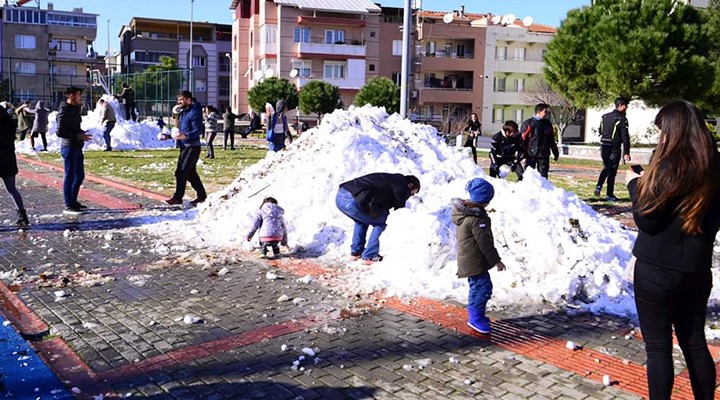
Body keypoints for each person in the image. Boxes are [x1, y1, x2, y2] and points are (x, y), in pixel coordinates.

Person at [626, 100, 720, 400]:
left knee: (658, 349)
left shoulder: (668, 166)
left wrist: (634, 185)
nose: (660, 138)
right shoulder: (714, 167)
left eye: (662, 132)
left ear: (673, 130)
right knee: (694, 343)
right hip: (696, 270)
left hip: (655, 269)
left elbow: (647, 221)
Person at [452, 178, 505, 334]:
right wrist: (497, 261)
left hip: (471, 259)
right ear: (483, 200)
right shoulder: (476, 219)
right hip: (474, 260)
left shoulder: (467, 213)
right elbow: (485, 243)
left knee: (477, 287)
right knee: (483, 289)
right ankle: (475, 318)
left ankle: (476, 315)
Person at [335, 173, 420, 265]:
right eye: (412, 192)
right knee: (380, 223)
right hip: (354, 199)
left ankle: (356, 252)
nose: (410, 195)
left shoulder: (390, 179)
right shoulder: (401, 183)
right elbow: (399, 201)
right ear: (410, 185)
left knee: (361, 221)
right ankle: (369, 255)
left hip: (341, 196)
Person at [163, 90, 207, 206]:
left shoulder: (194, 111)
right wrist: (168, 136)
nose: (179, 102)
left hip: (192, 147)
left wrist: (186, 136)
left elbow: (198, 130)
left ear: (188, 100)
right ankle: (202, 196)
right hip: (184, 146)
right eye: (178, 100)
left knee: (182, 172)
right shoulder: (183, 112)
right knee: (190, 173)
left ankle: (178, 197)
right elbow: (181, 130)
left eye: (181, 100)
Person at [56, 87, 92, 215]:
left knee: (79, 176)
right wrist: (77, 136)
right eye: (78, 96)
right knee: (70, 176)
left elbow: (74, 127)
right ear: (71, 96)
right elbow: (60, 132)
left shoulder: (75, 109)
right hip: (69, 147)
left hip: (77, 146)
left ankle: (73, 201)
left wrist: (82, 133)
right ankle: (68, 205)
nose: (80, 98)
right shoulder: (64, 110)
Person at [595, 97, 631, 201]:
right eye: (625, 106)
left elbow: (600, 130)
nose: (626, 108)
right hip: (614, 147)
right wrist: (626, 152)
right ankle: (609, 195)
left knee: (606, 167)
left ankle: (599, 185)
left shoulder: (605, 116)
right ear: (620, 105)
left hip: (604, 145)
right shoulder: (621, 119)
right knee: (612, 171)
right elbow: (625, 136)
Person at [0, 102, 29, 226]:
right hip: (8, 160)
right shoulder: (9, 124)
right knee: (12, 189)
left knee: (11, 189)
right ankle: (22, 216)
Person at [520, 103, 559, 179]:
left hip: (544, 154)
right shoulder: (528, 124)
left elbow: (551, 140)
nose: (547, 113)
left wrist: (555, 152)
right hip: (530, 155)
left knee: (543, 176)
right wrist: (522, 155)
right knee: (529, 176)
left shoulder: (547, 124)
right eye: (545, 111)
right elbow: (523, 140)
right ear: (538, 112)